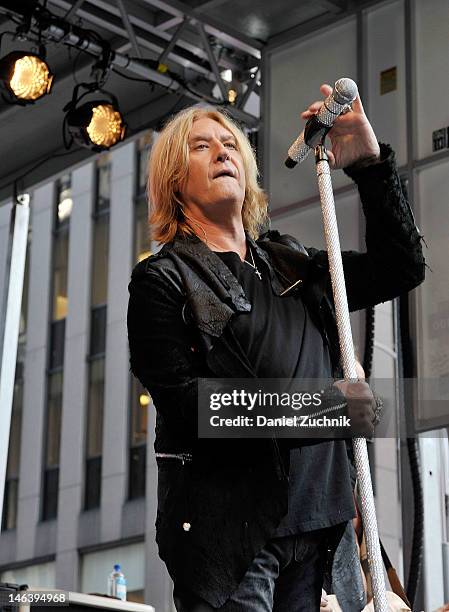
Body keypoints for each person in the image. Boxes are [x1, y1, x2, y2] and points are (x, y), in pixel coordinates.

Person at [127, 84, 425, 611]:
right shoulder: (160, 281)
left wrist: (368, 163)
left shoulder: (291, 262)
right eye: (201, 146)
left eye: (230, 144)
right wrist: (327, 410)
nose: (222, 150)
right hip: (231, 547)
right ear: (174, 179)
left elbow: (402, 265)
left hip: (324, 537)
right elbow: (194, 406)